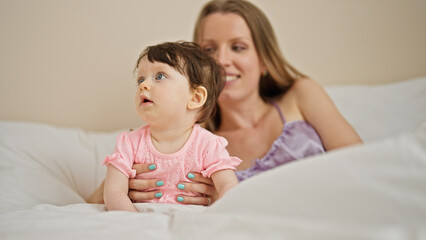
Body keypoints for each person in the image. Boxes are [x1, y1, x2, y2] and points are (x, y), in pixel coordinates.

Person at [87, 0, 362, 206]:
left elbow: (365, 164)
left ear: (264, 59)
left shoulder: (302, 95)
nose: (221, 61)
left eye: (238, 47)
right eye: (209, 50)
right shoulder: (189, 137)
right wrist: (128, 187)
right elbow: (95, 200)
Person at [102, 41, 241, 212]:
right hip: (140, 224)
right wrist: (133, 222)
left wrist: (218, 213)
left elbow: (228, 187)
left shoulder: (208, 145)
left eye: (159, 76)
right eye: (141, 79)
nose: (143, 85)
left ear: (195, 98)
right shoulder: (129, 143)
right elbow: (113, 192)